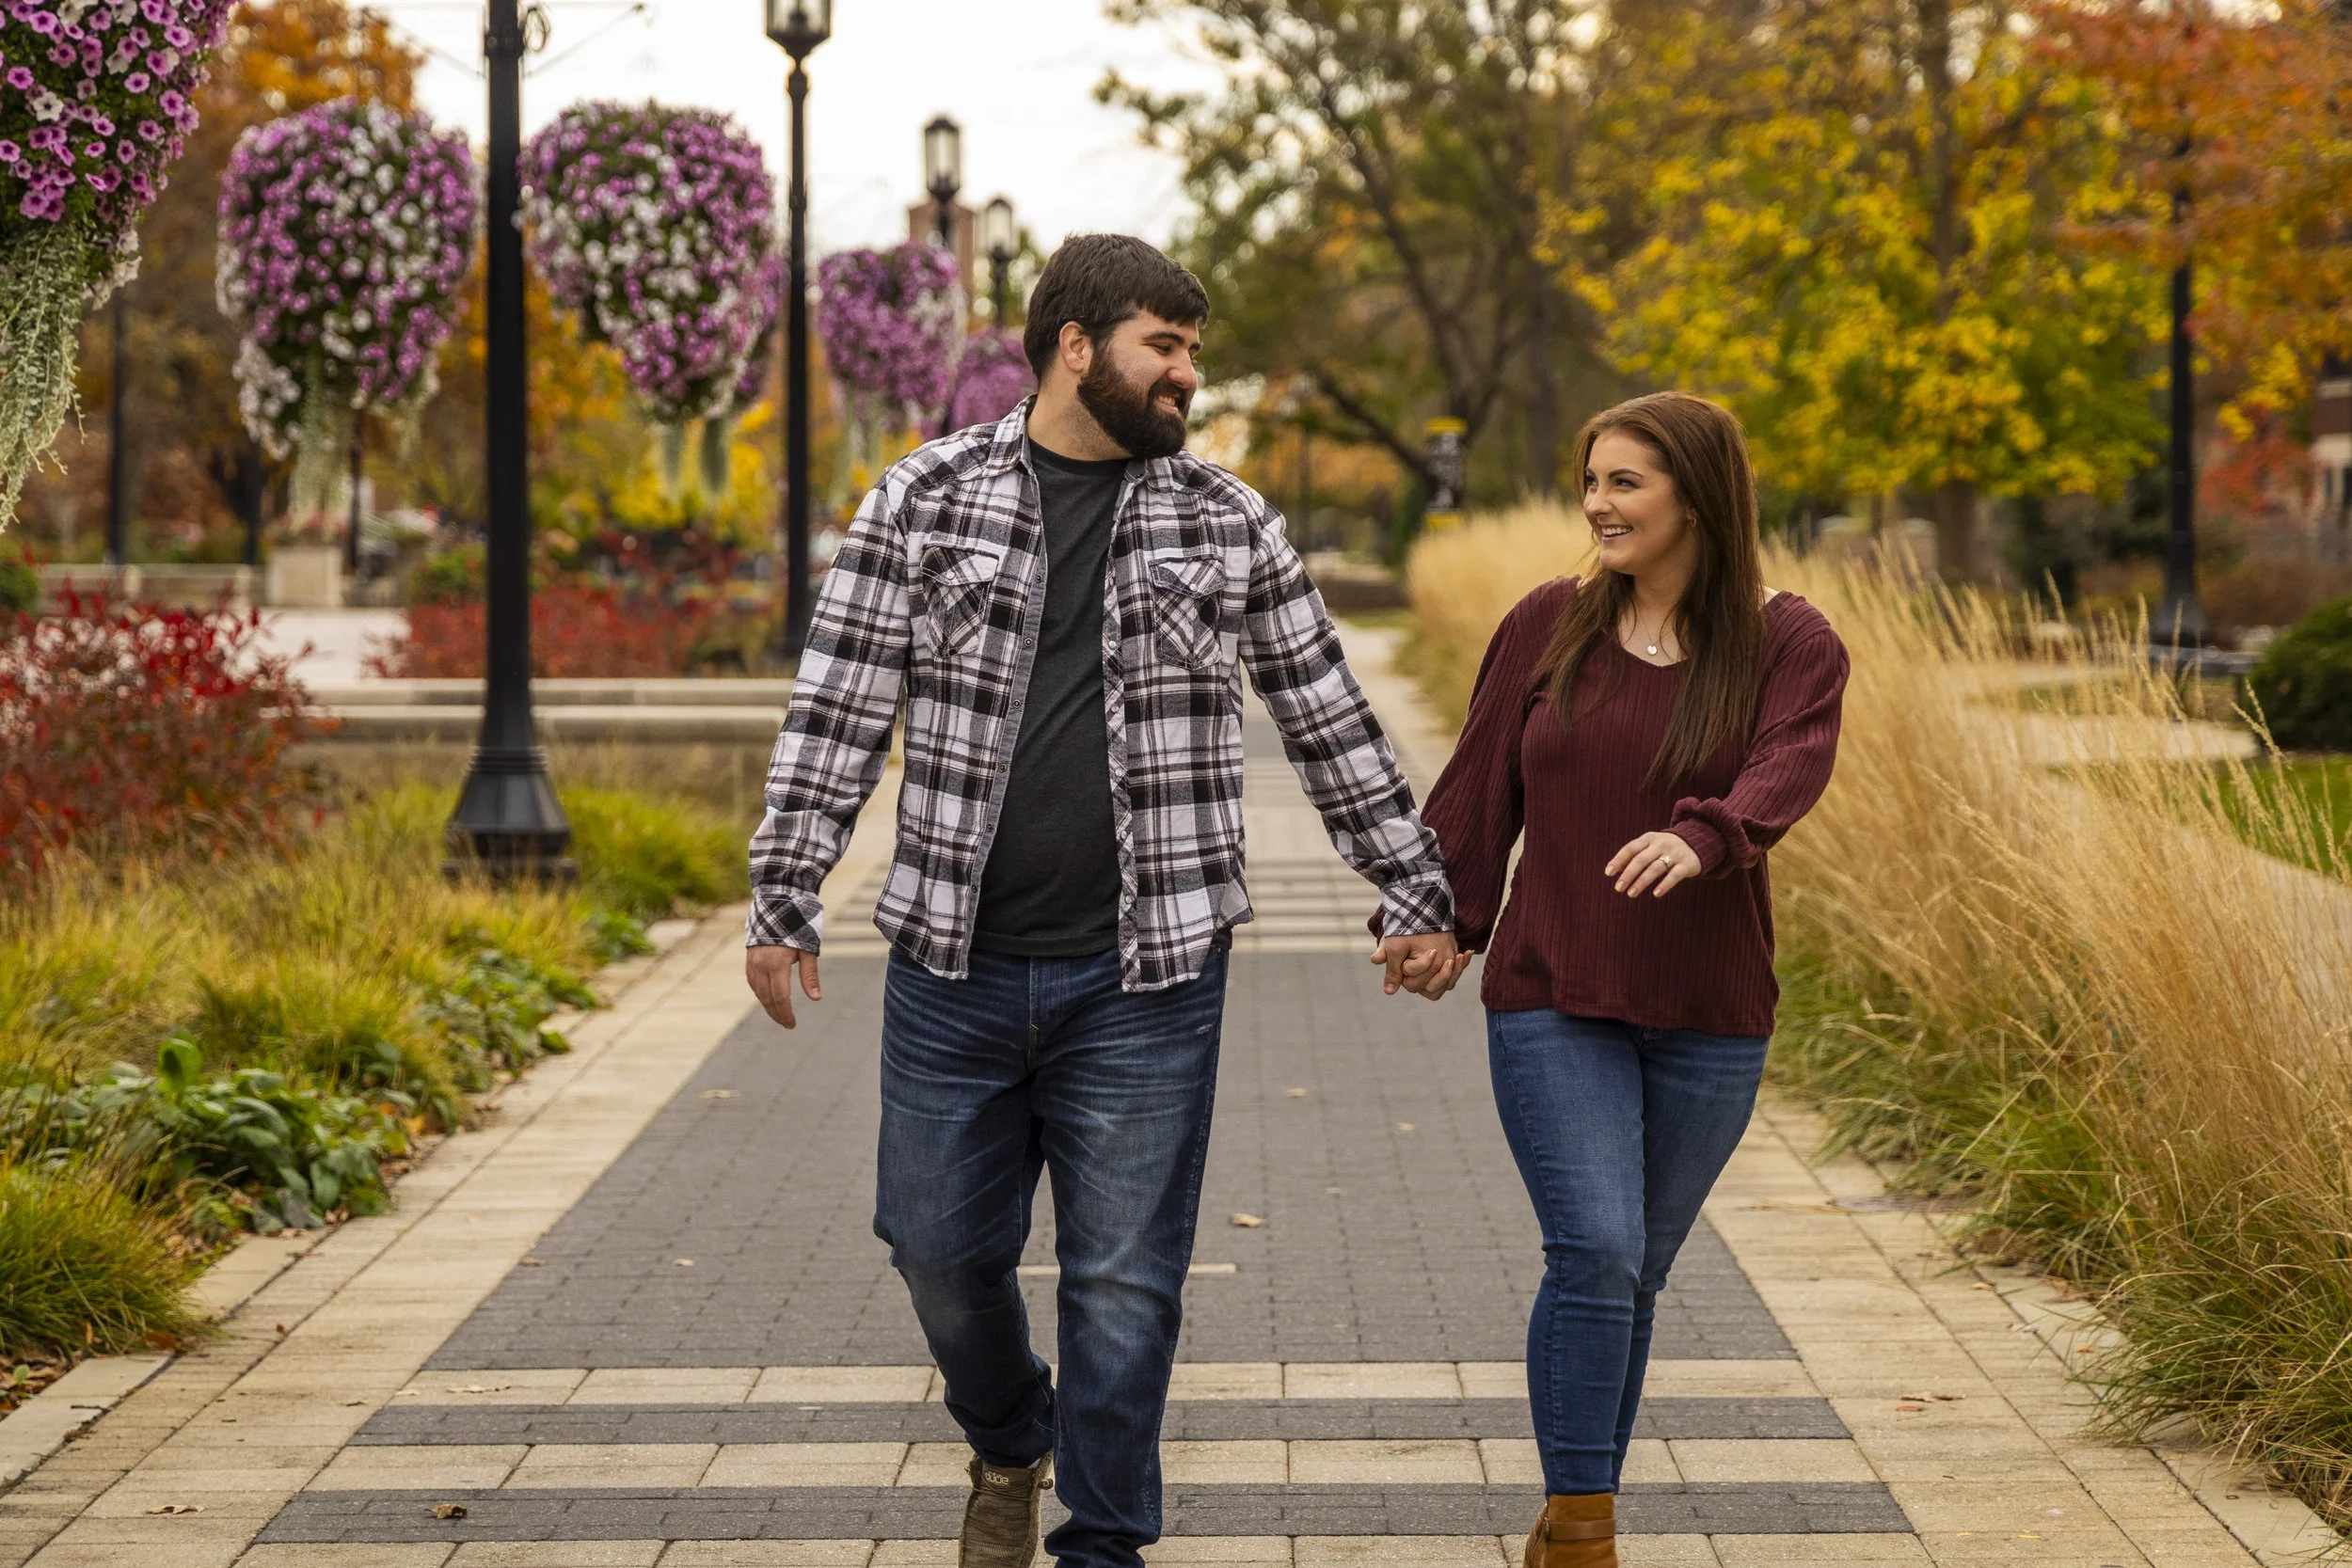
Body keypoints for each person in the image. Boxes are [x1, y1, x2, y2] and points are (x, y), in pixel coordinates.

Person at [743, 232, 1460, 1568]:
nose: (1188, 372)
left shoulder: (1226, 516)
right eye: (1165, 346)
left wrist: (1415, 889)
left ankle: (1105, 1537)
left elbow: (1329, 718)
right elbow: (836, 706)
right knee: (935, 1247)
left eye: (1194, 350)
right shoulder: (924, 498)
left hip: (1149, 977)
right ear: (1077, 344)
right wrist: (784, 889)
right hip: (951, 967)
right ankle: (1015, 1431)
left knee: (1124, 1278)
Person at [1411, 392, 1849, 1568]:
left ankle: (1564, 1524)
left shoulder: (1789, 640)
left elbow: (1788, 763)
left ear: (1698, 497)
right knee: (1595, 1248)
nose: (1597, 503)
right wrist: (1443, 917)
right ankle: (1594, 1535)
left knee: (1634, 1274)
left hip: (1710, 1012)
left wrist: (1707, 834)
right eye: (1591, 480)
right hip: (1555, 989)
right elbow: (1476, 786)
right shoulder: (1548, 623)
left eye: (1625, 483)